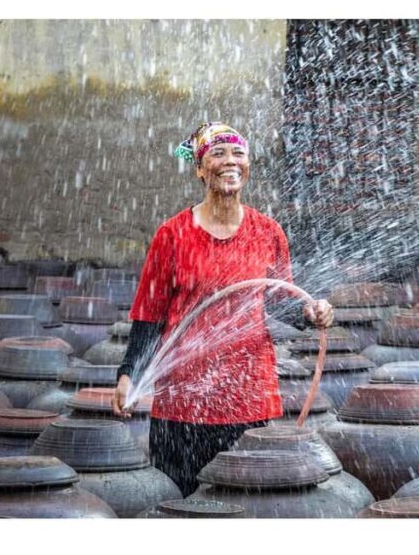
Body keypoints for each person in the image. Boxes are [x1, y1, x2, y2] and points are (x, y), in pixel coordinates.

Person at [111, 122, 333, 496]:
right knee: (181, 504)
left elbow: (279, 301)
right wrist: (128, 373)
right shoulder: (172, 235)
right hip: (182, 400)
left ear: (248, 165)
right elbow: (150, 314)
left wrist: (310, 314)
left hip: (248, 397)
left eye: (238, 153)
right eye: (218, 154)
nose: (230, 161)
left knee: (245, 505)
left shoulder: (268, 232)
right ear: (200, 169)